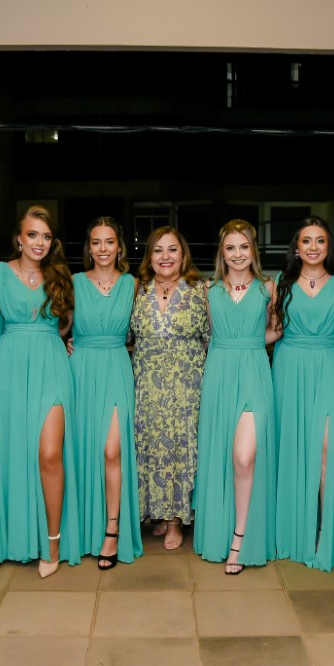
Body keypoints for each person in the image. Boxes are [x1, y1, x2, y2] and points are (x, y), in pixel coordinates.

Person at [0, 205, 80, 578]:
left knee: (49, 453)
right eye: (32, 235)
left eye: (46, 236)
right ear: (19, 239)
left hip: (51, 365)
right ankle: (15, 537)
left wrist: (64, 341)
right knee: (13, 453)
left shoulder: (60, 276)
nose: (39, 242)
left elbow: (64, 326)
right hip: (9, 369)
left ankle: (52, 543)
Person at [271, 216, 334, 571]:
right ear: (296, 248)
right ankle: (294, 531)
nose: (313, 247)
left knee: (327, 450)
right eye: (306, 240)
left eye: (320, 240)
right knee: (292, 447)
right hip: (289, 369)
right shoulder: (282, 282)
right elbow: (273, 330)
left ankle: (326, 533)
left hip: (329, 366)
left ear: (328, 247)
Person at [193, 220, 277, 574]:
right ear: (222, 253)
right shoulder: (208, 290)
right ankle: (220, 530)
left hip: (255, 371)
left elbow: (276, 330)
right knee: (221, 456)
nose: (238, 254)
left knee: (244, 457)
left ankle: (240, 538)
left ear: (253, 250)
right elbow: (204, 336)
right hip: (219, 375)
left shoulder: (268, 288)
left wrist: (252, 342)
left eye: (244, 247)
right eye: (231, 248)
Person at [68, 217, 143, 569]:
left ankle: (112, 529)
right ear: (89, 247)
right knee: (83, 449)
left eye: (109, 241)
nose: (102, 248)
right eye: (96, 242)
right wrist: (61, 343)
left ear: (119, 247)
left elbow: (141, 330)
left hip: (115, 365)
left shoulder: (132, 284)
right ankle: (83, 528)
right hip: (81, 369)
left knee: (112, 450)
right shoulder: (73, 283)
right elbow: (58, 326)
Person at [131, 226, 208, 551]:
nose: (165, 256)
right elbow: (122, 335)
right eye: (158, 250)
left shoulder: (200, 290)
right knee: (150, 447)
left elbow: (212, 338)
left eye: (172, 249)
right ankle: (159, 513)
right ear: (149, 256)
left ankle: (176, 519)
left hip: (187, 388)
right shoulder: (136, 290)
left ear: (183, 254)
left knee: (180, 449)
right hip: (147, 387)